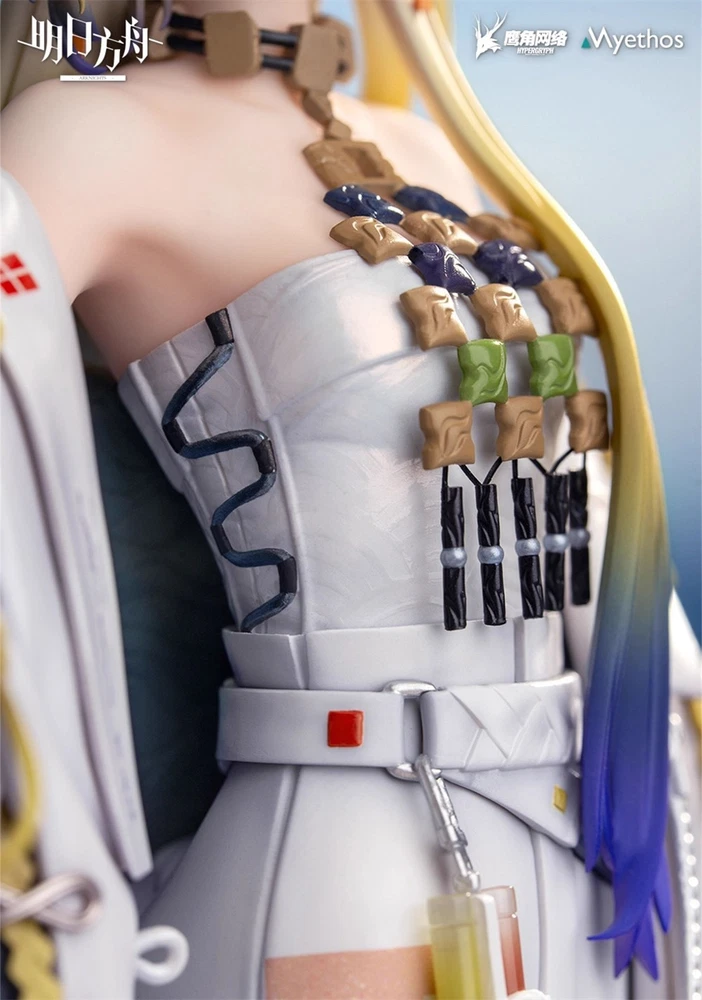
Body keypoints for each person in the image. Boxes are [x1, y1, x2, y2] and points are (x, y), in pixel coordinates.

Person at [1, 1, 700, 997]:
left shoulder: (430, 138)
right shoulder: (87, 136)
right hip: (348, 855)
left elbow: (573, 491)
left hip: (579, 836)